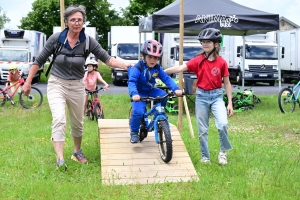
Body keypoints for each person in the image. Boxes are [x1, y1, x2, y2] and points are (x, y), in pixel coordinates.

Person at [22, 5, 132, 170]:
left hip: (77, 85)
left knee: (78, 122)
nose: (76, 22)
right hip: (57, 83)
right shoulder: (56, 39)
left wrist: (127, 65)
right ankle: (60, 159)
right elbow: (38, 61)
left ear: (83, 22)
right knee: (59, 119)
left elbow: (108, 59)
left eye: (79, 19)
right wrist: (28, 81)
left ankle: (77, 151)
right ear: (66, 22)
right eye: (73, 19)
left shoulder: (88, 41)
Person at [164, 28, 233, 165]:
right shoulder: (198, 60)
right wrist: (161, 72)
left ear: (216, 44)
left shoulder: (222, 63)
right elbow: (180, 68)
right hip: (201, 96)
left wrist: (230, 102)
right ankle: (205, 157)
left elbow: (227, 82)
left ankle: (222, 153)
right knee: (202, 129)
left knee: (223, 124)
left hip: (217, 96)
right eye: (203, 42)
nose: (205, 44)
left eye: (208, 42)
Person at [128, 39, 182, 143]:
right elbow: (132, 82)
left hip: (150, 90)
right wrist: (134, 94)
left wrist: (176, 89)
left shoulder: (157, 68)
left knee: (164, 95)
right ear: (143, 56)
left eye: (156, 58)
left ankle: (160, 114)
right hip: (138, 92)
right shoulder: (137, 68)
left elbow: (166, 79)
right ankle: (134, 132)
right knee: (138, 111)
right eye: (150, 57)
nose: (153, 60)